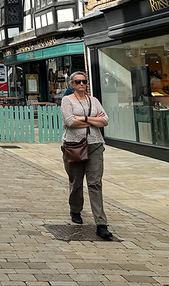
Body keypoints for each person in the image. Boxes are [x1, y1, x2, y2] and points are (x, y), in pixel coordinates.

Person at [61, 71, 113, 240]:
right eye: (78, 81)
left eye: (84, 81)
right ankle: (75, 209)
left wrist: (83, 118)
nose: (82, 84)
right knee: (76, 183)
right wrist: (92, 119)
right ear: (72, 84)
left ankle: (101, 223)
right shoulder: (67, 101)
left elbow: (105, 120)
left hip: (95, 145)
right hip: (74, 146)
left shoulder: (94, 100)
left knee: (95, 183)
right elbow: (70, 122)